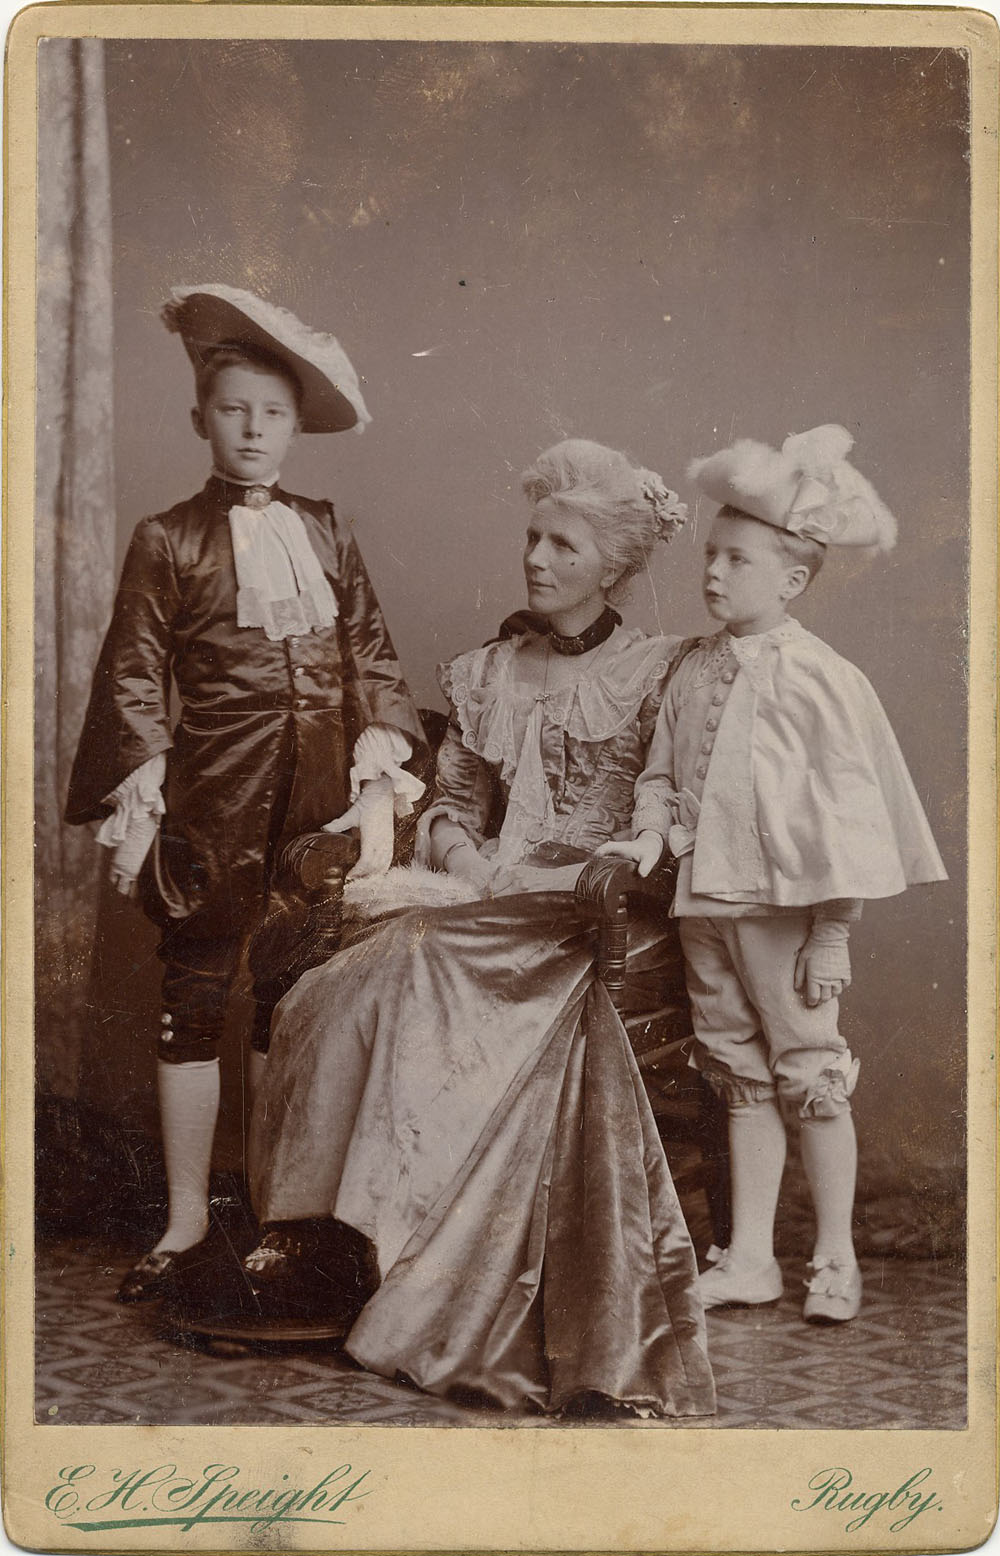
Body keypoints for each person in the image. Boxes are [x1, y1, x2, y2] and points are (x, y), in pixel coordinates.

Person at [245, 439, 716, 1418]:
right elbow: (452, 802)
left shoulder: (660, 671)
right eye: (533, 537)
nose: (537, 558)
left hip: (587, 908)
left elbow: (664, 811)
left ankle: (436, 1267)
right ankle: (340, 1234)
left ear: (614, 566)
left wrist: (592, 866)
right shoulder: (487, 670)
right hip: (482, 897)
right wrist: (471, 868)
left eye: (564, 545)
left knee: (436, 971)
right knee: (353, 977)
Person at [65, 285, 425, 1303]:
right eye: (235, 409)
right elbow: (132, 676)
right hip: (211, 811)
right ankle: (184, 1220)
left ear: (296, 425)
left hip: (313, 812)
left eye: (273, 411)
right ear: (201, 420)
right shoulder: (166, 538)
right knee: (192, 1004)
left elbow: (370, 653)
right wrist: (143, 794)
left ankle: (277, 1207)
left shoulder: (327, 529)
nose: (256, 428)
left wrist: (374, 762)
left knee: (288, 1000)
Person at [600, 425, 947, 1324]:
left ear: (791, 579)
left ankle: (834, 1256)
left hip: (787, 915)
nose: (714, 574)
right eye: (711, 556)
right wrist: (649, 835)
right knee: (738, 1078)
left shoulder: (820, 677)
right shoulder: (694, 667)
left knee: (811, 1076)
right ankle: (749, 1256)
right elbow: (664, 774)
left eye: (738, 560)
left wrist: (833, 927)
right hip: (701, 905)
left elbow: (851, 811)